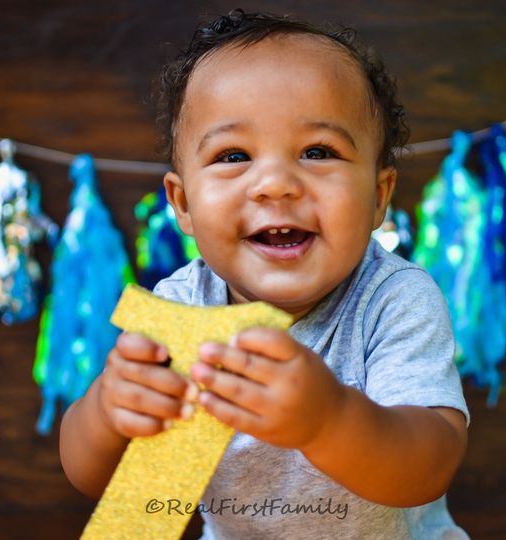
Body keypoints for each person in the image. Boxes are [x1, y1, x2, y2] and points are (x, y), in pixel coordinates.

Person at [60, 9, 471, 539]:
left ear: (378, 196)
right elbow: (100, 481)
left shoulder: (392, 300)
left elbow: (428, 466)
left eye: (318, 152)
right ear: (182, 205)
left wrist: (328, 419)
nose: (275, 184)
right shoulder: (180, 307)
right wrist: (108, 412)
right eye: (234, 155)